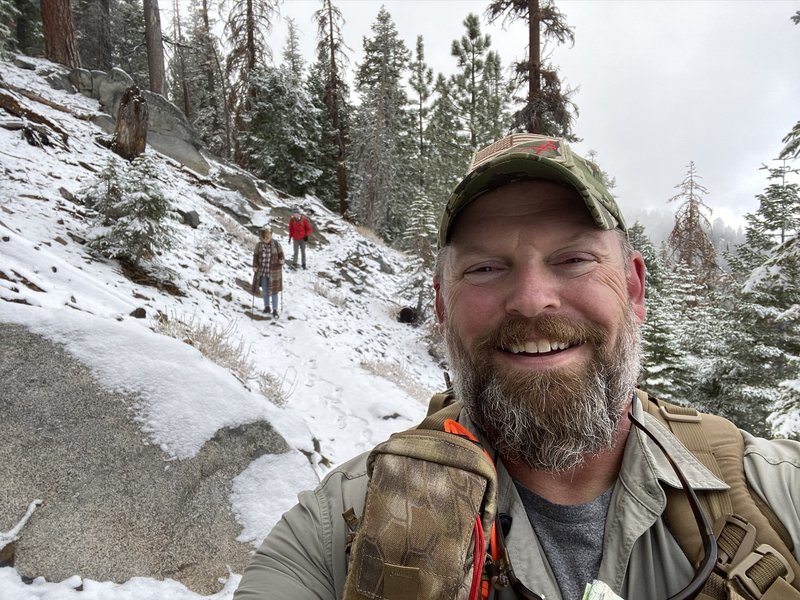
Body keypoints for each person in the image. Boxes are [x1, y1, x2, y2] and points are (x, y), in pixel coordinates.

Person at [234, 134, 800, 599]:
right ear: (440, 305)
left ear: (633, 287)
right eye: (484, 268)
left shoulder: (775, 493)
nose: (531, 299)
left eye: (574, 259)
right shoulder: (343, 525)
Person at [252, 227, 284, 318]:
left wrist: (282, 261)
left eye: (268, 237)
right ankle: (267, 307)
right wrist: (254, 266)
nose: (266, 240)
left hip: (274, 273)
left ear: (270, 236)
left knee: (274, 292)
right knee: (265, 291)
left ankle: (275, 310)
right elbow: (255, 257)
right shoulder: (258, 245)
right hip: (263, 273)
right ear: (261, 238)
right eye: (264, 238)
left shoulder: (277, 245)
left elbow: (282, 256)